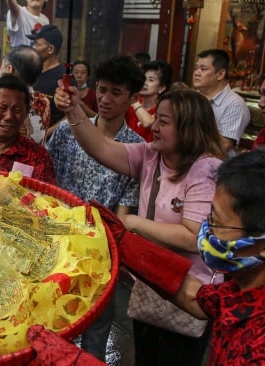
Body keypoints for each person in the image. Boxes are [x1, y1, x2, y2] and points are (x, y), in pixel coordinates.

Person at [55, 84, 227, 365]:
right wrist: (73, 110)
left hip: (190, 288)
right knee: (146, 356)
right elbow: (99, 147)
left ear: (190, 128)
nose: (154, 126)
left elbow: (193, 235)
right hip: (152, 282)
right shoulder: (150, 156)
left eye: (165, 121)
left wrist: (132, 223)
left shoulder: (205, 169)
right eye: (156, 117)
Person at [98, 144, 265, 364]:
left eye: (216, 222)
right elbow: (196, 296)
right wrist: (124, 242)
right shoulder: (252, 289)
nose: (205, 229)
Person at [45, 56, 145, 361]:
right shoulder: (66, 132)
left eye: (116, 93)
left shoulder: (135, 149)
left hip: (101, 250)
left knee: (97, 329)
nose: (105, 99)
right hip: (56, 241)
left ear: (132, 98)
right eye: (102, 90)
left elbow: (126, 211)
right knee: (50, 319)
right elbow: (48, 180)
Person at [193, 49, 250, 155]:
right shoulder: (193, 97)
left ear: (220, 74)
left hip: (215, 165)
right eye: (196, 68)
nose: (196, 73)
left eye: (203, 69)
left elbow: (224, 145)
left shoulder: (234, 104)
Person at [27, 24, 66, 131]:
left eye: (37, 44)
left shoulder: (63, 78)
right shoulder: (31, 71)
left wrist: (46, 134)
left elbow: (69, 116)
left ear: (50, 49)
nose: (33, 47)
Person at [127, 60, 173, 142]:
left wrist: (134, 102)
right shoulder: (130, 104)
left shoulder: (164, 108)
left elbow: (148, 123)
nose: (145, 83)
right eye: (144, 79)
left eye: (151, 80)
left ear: (161, 88)